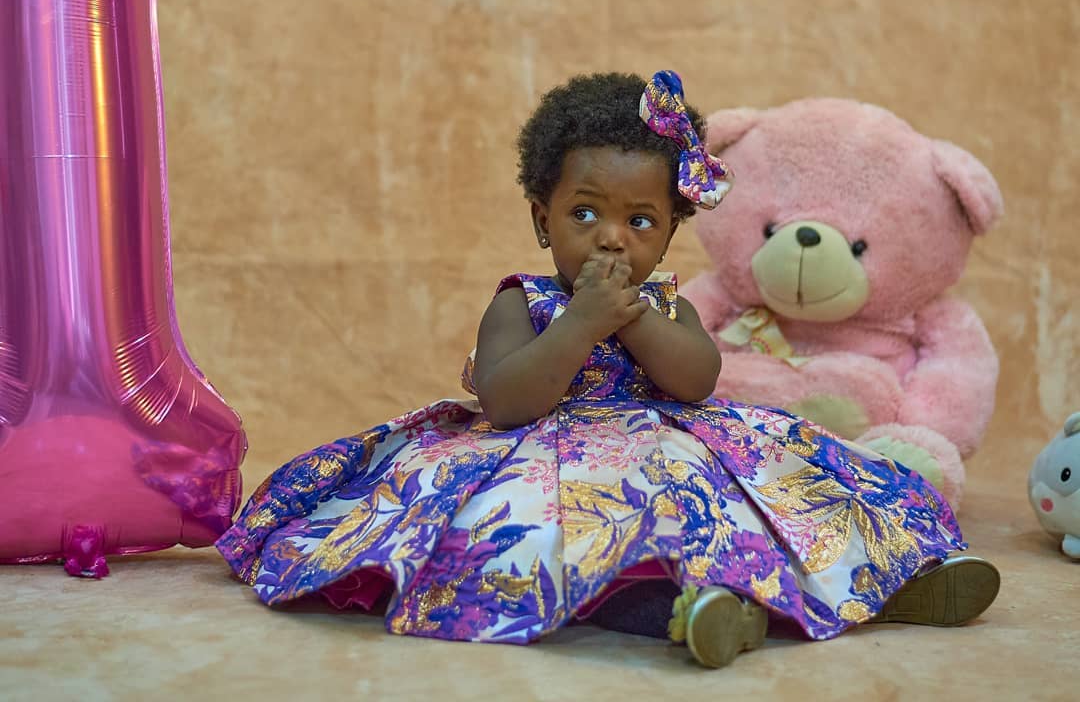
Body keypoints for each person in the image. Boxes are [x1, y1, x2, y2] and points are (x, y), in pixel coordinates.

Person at [216, 70, 999, 668]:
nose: (612, 237)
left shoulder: (669, 304)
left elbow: (696, 381)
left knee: (786, 498)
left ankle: (899, 580)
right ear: (542, 219)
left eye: (641, 220)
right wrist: (582, 323)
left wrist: (636, 320)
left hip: (668, 449)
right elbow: (507, 400)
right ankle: (699, 613)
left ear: (669, 233)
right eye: (585, 212)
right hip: (545, 464)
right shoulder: (520, 303)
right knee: (587, 544)